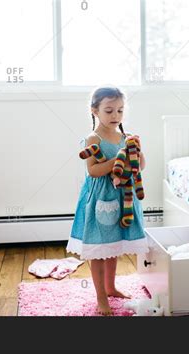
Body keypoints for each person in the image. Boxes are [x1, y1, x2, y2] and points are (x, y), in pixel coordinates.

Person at [66, 86, 149, 315]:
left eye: (120, 111)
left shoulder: (125, 137)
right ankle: (100, 296)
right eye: (109, 111)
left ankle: (110, 287)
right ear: (95, 111)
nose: (116, 116)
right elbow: (93, 170)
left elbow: (139, 167)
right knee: (99, 248)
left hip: (123, 197)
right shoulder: (94, 138)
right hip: (101, 198)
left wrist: (137, 153)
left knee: (113, 246)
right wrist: (116, 161)